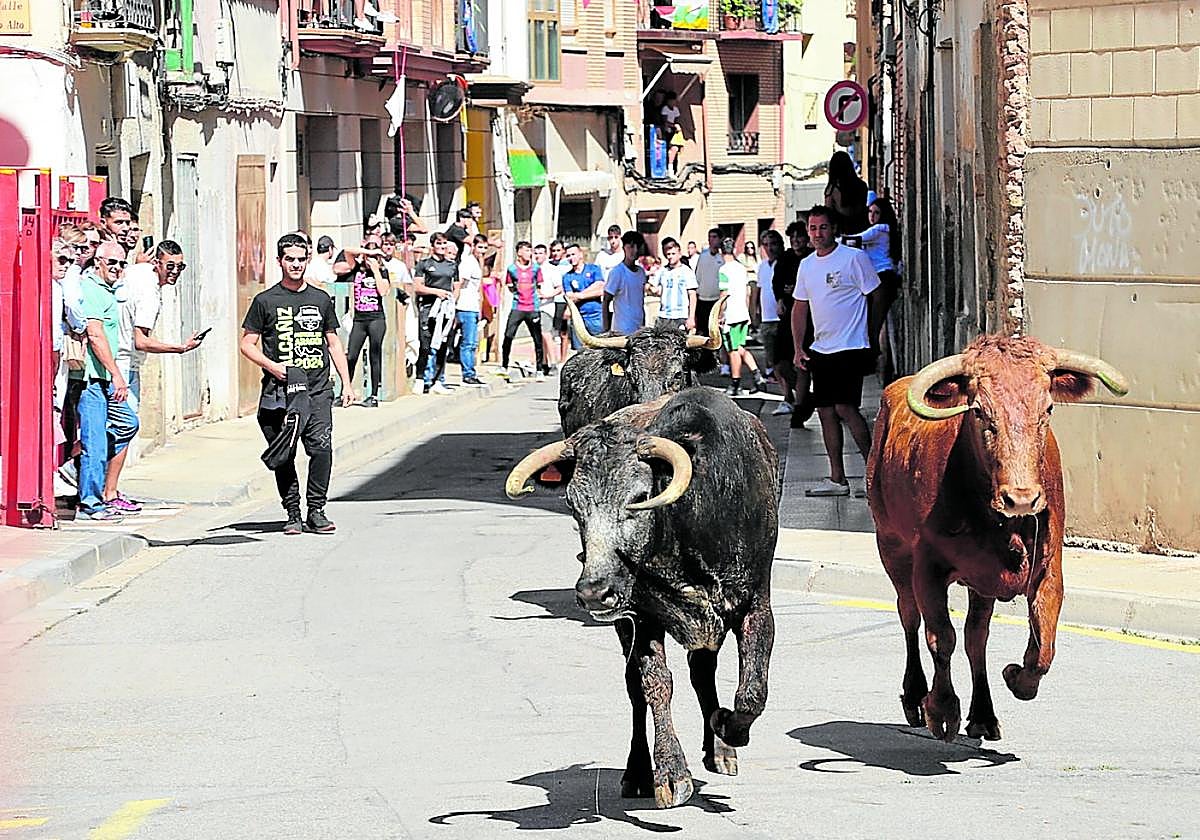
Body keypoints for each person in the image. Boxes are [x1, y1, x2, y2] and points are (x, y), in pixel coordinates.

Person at [240, 233, 357, 535]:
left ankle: (316, 509)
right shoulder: (264, 301)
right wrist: (272, 366)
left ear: (308, 260)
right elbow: (247, 344)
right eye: (289, 259)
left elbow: (333, 343)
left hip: (316, 390)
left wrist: (347, 383)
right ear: (279, 261)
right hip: (279, 394)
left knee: (321, 449)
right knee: (284, 455)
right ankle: (293, 512)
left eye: (301, 259)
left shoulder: (320, 299)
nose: (295, 264)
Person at [105, 241, 205, 513]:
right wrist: (180, 348)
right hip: (124, 365)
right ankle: (107, 490)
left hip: (113, 359)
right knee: (125, 427)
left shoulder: (138, 272)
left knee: (110, 426)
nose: (174, 271)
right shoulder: (150, 294)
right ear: (157, 263)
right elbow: (141, 341)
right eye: (169, 265)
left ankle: (100, 485)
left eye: (180, 266)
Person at [792, 205, 884, 497]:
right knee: (825, 411)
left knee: (846, 408)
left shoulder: (854, 259)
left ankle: (875, 475)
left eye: (823, 227)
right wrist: (798, 347)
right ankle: (837, 479)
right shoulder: (806, 265)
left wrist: (872, 333)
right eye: (813, 228)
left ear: (834, 229)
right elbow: (799, 306)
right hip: (822, 348)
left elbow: (877, 294)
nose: (817, 233)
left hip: (851, 345)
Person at [76, 240, 137, 520]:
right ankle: (91, 502)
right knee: (95, 441)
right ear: (98, 261)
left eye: (122, 263)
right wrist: (116, 374)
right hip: (93, 377)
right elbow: (95, 336)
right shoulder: (90, 289)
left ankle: (78, 464)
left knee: (127, 423)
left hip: (104, 376)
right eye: (112, 262)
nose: (117, 268)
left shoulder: (107, 291)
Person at [334, 230, 392, 407]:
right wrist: (368, 252)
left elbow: (383, 291)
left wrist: (375, 270)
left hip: (376, 318)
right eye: (368, 255)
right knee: (351, 355)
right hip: (359, 319)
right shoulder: (356, 269)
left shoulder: (383, 271)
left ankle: (373, 395)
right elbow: (346, 251)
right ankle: (346, 391)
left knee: (374, 354)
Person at [852, 196, 902, 372]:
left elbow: (854, 240)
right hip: (878, 278)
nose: (872, 216)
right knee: (874, 324)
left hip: (882, 278)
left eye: (876, 212)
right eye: (870, 212)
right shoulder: (879, 229)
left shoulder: (880, 229)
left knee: (874, 324)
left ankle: (872, 363)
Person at [774, 217, 815, 427]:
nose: (797, 240)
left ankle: (799, 409)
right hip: (786, 316)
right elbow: (777, 283)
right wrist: (781, 297)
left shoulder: (811, 258)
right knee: (780, 365)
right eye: (793, 237)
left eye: (800, 236)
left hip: (808, 318)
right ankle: (806, 398)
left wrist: (799, 289)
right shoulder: (785, 258)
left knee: (802, 365)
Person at [411, 233, 459, 394]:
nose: (442, 247)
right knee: (425, 344)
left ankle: (438, 380)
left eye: (445, 243)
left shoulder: (452, 265)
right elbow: (417, 287)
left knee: (443, 344)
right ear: (433, 245)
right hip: (428, 307)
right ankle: (420, 378)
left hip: (445, 309)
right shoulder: (424, 264)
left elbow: (456, 286)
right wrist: (436, 292)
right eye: (439, 243)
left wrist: (452, 303)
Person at [718, 237, 765, 395]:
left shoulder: (724, 270)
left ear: (720, 251)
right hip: (742, 313)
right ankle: (757, 375)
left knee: (733, 350)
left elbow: (723, 294)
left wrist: (719, 314)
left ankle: (735, 383)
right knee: (740, 347)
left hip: (730, 314)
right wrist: (747, 311)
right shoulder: (740, 268)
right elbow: (747, 292)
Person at [501, 240, 545, 379]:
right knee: (508, 335)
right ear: (519, 252)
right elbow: (509, 285)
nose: (529, 254)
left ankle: (540, 370)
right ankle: (504, 365)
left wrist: (538, 297)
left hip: (533, 307)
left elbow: (539, 286)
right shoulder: (512, 269)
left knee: (537, 339)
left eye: (530, 251)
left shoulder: (536, 268)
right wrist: (517, 293)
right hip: (518, 306)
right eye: (526, 251)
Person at [756, 230, 788, 414]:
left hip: (783, 319)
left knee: (786, 362)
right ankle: (787, 396)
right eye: (766, 244)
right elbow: (759, 290)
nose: (770, 248)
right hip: (767, 319)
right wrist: (756, 312)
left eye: (773, 244)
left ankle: (792, 396)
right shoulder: (762, 266)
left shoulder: (785, 263)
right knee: (773, 362)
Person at [602, 230, 648, 336]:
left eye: (637, 246)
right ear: (624, 247)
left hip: (639, 330)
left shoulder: (641, 272)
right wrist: (606, 329)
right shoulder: (617, 272)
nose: (634, 250)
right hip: (621, 331)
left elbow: (640, 301)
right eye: (631, 246)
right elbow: (606, 301)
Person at [456, 234, 487, 386]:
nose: (482, 251)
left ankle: (470, 372)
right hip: (464, 306)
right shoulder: (468, 262)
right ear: (473, 247)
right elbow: (460, 283)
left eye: (485, 248)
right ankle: (468, 374)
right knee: (468, 343)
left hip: (472, 307)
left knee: (472, 343)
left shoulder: (475, 263)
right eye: (480, 247)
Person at [562, 243, 605, 345]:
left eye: (573, 254)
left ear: (580, 254)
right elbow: (570, 297)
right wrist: (589, 293)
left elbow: (601, 288)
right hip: (578, 317)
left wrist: (580, 295)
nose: (571, 258)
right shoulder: (567, 277)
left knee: (600, 347)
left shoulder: (594, 269)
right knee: (580, 351)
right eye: (568, 256)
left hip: (596, 315)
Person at [650, 237, 697, 331]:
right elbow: (650, 285)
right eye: (668, 254)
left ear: (679, 254)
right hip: (664, 316)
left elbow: (692, 295)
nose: (670, 256)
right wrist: (652, 289)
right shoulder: (662, 271)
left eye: (673, 254)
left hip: (680, 316)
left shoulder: (686, 271)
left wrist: (691, 317)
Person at [534, 243, 563, 374]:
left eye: (540, 253)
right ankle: (543, 363)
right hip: (533, 307)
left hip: (546, 307)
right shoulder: (532, 269)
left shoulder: (552, 269)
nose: (537, 256)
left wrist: (547, 295)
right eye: (536, 253)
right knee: (539, 336)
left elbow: (559, 288)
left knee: (546, 334)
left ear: (546, 255)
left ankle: (553, 363)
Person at [825, 151, 869, 233]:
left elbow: (828, 213)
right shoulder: (861, 185)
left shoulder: (832, 189)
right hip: (862, 228)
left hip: (841, 231)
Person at [693, 227, 724, 335]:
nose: (711, 240)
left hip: (716, 299)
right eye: (710, 237)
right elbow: (698, 276)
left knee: (715, 330)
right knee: (702, 330)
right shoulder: (703, 256)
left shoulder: (723, 257)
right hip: (702, 299)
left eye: (714, 237)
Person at [660, 91, 685, 174]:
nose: (673, 102)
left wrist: (676, 126)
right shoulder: (665, 109)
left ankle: (672, 168)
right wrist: (674, 125)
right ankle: (669, 169)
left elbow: (676, 120)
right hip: (666, 131)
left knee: (675, 148)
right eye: (672, 101)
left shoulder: (676, 110)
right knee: (671, 148)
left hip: (673, 132)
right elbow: (665, 121)